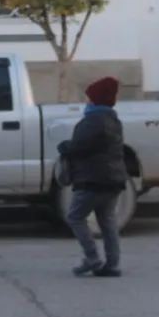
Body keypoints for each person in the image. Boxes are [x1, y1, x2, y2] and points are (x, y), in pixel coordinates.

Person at [57, 76, 126, 278]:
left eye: (88, 96)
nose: (86, 100)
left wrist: (63, 146)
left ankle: (92, 257)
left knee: (75, 217)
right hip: (113, 178)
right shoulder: (112, 119)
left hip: (93, 179)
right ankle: (112, 264)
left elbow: (78, 147)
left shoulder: (93, 120)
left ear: (96, 98)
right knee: (107, 221)